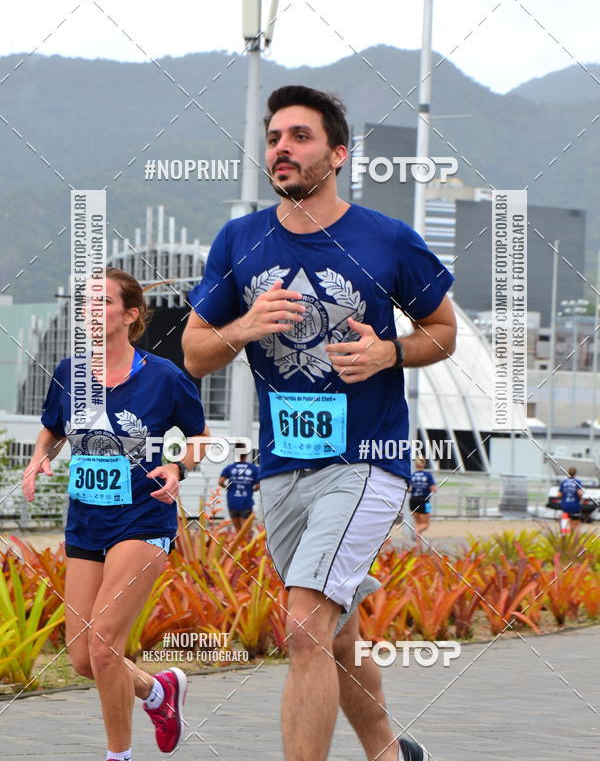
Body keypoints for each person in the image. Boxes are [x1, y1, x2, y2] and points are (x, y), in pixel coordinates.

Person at [183, 85, 456, 761]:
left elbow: (443, 332)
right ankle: (390, 753)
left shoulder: (386, 239)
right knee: (333, 636)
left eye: (299, 136)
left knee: (304, 627)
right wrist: (243, 326)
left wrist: (389, 351)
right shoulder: (239, 239)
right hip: (283, 467)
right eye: (274, 136)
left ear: (336, 154)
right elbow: (192, 351)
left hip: (368, 460)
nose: (282, 147)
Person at [22, 268, 210, 761]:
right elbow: (53, 429)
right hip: (86, 521)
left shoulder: (164, 376)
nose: (91, 310)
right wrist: (41, 456)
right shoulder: (69, 372)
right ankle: (156, 692)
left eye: (103, 302)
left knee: (105, 646)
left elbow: (200, 439)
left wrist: (177, 465)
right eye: (86, 302)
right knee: (85, 659)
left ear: (130, 315)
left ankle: (118, 757)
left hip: (143, 519)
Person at [218, 449, 260, 530]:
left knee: (238, 531)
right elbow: (258, 485)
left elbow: (220, 482)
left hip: (232, 502)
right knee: (245, 532)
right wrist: (252, 489)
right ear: (246, 455)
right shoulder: (254, 468)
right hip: (246, 502)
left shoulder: (229, 468)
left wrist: (228, 487)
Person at [409, 457, 437, 548]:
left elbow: (409, 489)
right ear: (424, 464)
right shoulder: (428, 475)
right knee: (425, 524)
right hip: (424, 500)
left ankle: (418, 546)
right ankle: (415, 532)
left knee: (417, 523)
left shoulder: (412, 476)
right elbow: (433, 489)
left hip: (413, 500)